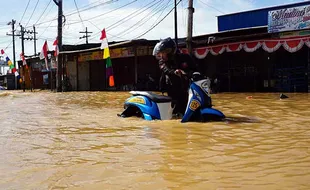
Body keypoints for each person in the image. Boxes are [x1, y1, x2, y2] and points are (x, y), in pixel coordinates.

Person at [153, 37, 198, 116]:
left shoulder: (185, 58)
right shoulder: (162, 62)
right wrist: (175, 72)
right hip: (171, 91)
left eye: (163, 53)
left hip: (187, 90)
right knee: (175, 113)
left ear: (169, 51)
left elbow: (196, 70)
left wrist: (187, 73)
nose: (162, 56)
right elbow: (166, 70)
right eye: (160, 53)